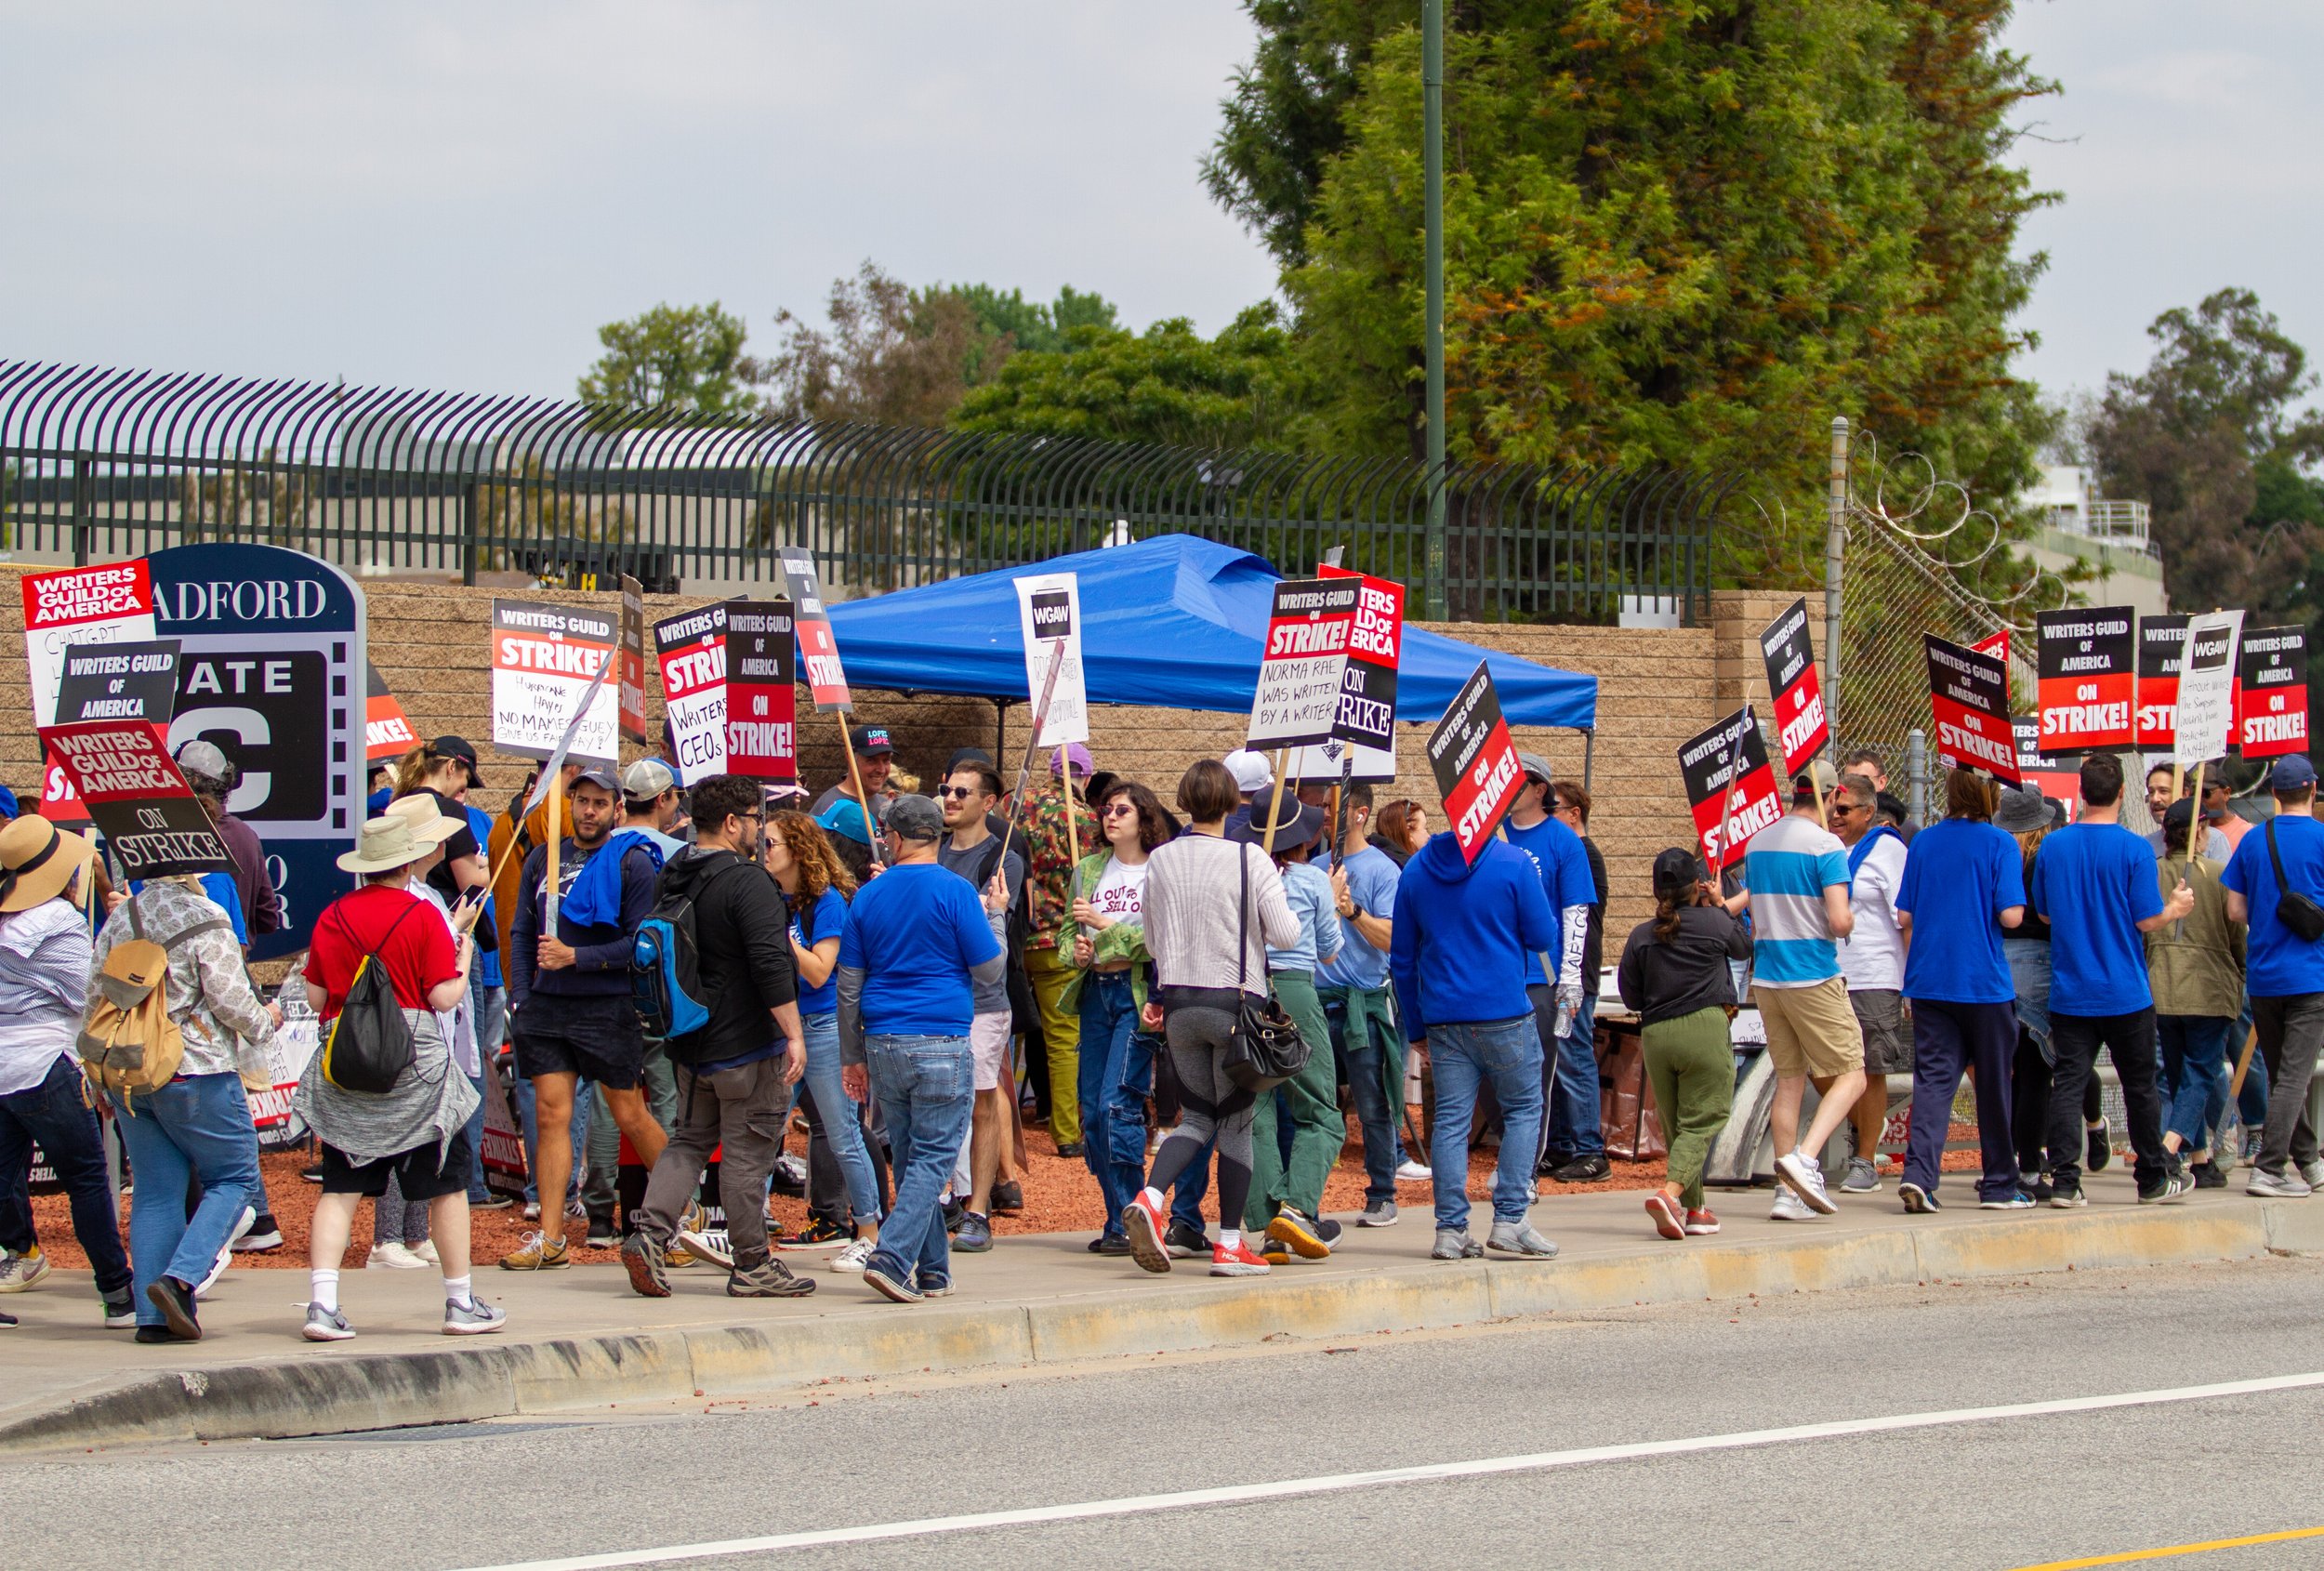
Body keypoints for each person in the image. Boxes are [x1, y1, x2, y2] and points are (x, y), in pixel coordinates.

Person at [297, 813, 501, 1340]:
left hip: (348, 1065)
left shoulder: (331, 916)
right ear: (407, 861)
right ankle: (460, 1302)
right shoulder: (422, 914)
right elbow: (442, 997)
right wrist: (461, 955)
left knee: (339, 1188)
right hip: (419, 1072)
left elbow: (317, 998)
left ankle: (322, 1303)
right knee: (447, 1185)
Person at [622, 774, 813, 1300]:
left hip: (691, 1040)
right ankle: (752, 1262)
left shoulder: (673, 874)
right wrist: (793, 1035)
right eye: (755, 821)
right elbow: (771, 963)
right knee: (748, 1156)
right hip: (748, 1045)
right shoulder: (748, 882)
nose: (759, 831)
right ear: (732, 823)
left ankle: (650, 1234)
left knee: (688, 1141)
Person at [1122, 759, 1301, 1276]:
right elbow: (1287, 936)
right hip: (1235, 1006)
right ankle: (1229, 1245)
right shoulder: (1251, 858)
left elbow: (1152, 941)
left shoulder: (1160, 861)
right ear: (1231, 803)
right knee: (1237, 1126)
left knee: (1197, 1119)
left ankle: (1152, 1198)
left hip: (1180, 1004)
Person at [92, 855, 282, 1342]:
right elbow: (230, 1001)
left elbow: (95, 994)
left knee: (156, 1193)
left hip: (131, 1070)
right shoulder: (206, 917)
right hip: (196, 1068)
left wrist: (98, 1081)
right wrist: (267, 1023)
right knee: (235, 1178)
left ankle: (153, 1322)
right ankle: (180, 1280)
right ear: (193, 865)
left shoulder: (121, 918)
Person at [837, 794, 1006, 1302]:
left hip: (883, 1038)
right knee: (933, 1160)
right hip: (941, 1036)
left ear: (897, 837)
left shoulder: (868, 896)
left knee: (912, 1158)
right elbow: (991, 969)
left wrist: (852, 1054)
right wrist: (995, 916)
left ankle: (933, 1269)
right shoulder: (955, 891)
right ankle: (892, 1257)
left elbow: (849, 985)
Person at [502, 765, 669, 1270]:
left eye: (600, 803)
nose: (589, 811)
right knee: (552, 1115)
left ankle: (682, 1215)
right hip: (546, 1007)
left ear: (617, 808)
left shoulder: (633, 862)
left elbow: (642, 941)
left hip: (608, 1004)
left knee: (628, 1114)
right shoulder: (542, 858)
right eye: (582, 801)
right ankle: (551, 1238)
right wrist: (522, 996)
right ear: (569, 804)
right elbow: (520, 932)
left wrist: (576, 957)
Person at [1390, 791, 1563, 1261]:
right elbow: (1544, 936)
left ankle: (1450, 1229)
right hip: (1506, 1010)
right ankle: (1510, 1219)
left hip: (1444, 1019)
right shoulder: (1513, 862)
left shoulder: (1417, 869)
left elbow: (1402, 960)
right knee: (1525, 1110)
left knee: (1449, 1122)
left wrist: (1417, 1027)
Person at [2031, 752, 2196, 1207]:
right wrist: (2175, 909)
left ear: (2081, 792)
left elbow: (2044, 912)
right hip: (2125, 990)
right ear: (2123, 793)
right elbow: (2147, 920)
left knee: (2067, 1083)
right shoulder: (2134, 849)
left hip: (2071, 991)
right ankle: (2151, 1178)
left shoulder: (2054, 846)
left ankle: (2066, 1179)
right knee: (2139, 1086)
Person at [0, 817, 134, 1325]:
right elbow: (92, 997)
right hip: (45, 1066)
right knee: (85, 1179)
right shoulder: (55, 921)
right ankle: (118, 1295)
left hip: (4, 1063)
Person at [1893, 770, 2028, 1211]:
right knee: (1993, 1085)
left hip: (1929, 978)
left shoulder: (1925, 842)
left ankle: (1919, 1175)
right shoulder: (2000, 843)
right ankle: (2000, 1185)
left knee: (1933, 1081)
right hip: (1983, 983)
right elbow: (2010, 916)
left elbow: (1904, 914)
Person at [1736, 760, 1865, 1219]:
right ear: (1830, 797)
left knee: (1789, 1081)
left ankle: (1786, 1194)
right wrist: (1850, 920)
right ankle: (1805, 1160)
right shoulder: (1828, 845)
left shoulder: (1758, 842)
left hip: (1768, 977)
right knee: (1852, 1074)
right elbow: (1839, 919)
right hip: (1813, 974)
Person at [764, 810, 884, 1270]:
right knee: (760, 1133)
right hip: (782, 1027)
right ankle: (748, 1229)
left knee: (842, 1134)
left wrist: (777, 936)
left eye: (771, 844)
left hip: (822, 1026)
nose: (764, 852)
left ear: (797, 848)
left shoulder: (827, 902)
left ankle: (870, 1230)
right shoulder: (775, 897)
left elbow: (818, 971)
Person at [1618, 847, 1752, 1239]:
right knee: (1705, 1118)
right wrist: (1721, 905)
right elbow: (1745, 949)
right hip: (1704, 1026)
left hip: (1657, 1034)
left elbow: (1630, 996)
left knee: (1678, 1125)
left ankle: (1696, 1210)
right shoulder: (1714, 921)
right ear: (1698, 885)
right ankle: (1671, 1193)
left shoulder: (1641, 935)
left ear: (1657, 889)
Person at [1064, 778, 1168, 1255]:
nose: (1110, 816)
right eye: (1106, 809)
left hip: (1136, 995)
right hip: (1094, 995)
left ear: (1144, 819)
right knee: (1091, 1114)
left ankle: (1134, 1214)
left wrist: (1106, 927)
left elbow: (1155, 942)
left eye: (1122, 810)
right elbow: (1067, 935)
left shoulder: (1159, 871)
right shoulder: (1086, 870)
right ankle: (1117, 1218)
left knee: (1115, 1107)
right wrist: (1079, 951)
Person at [1245, 799, 1345, 1260]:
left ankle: (1268, 1225)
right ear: (1303, 838)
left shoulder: (1242, 875)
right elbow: (1329, 951)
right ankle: (1298, 1209)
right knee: (1320, 1109)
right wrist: (1335, 899)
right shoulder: (1310, 880)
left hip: (1246, 991)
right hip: (1295, 990)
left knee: (1257, 1110)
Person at [2220, 755, 2324, 1197]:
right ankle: (2268, 1168)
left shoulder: (2253, 840)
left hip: (2263, 978)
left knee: (2285, 1076)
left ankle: (2310, 1162)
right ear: (2312, 791)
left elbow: (2235, 910)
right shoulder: (2322, 838)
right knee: (2295, 1077)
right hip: (2311, 977)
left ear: (2276, 794)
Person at [934, 761, 1025, 1254]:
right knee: (940, 1099)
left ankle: (979, 1209)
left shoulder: (1003, 858)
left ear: (988, 802)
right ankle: (948, 1193)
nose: (950, 798)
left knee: (983, 1099)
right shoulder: (934, 852)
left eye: (961, 792)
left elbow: (987, 934)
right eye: (946, 790)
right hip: (937, 996)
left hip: (983, 1002)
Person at [1499, 757, 1598, 1182]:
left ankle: (1524, 1173)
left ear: (1540, 789)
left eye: (1518, 781)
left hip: (1542, 975)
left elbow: (1577, 912)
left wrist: (1571, 978)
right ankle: (1518, 1159)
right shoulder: (1492, 834)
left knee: (1539, 1077)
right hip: (1496, 973)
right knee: (1501, 1077)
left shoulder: (1563, 841)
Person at [1319, 783, 1411, 1227]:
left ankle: (1382, 1193)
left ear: (1358, 814)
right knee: (1313, 1105)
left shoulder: (1382, 871)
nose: (1323, 815)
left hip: (1364, 1004)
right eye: (1321, 807)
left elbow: (1394, 939)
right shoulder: (1316, 867)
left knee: (1373, 1103)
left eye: (1332, 807)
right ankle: (1304, 1199)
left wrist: (1351, 910)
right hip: (1318, 1003)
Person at [2148, 799, 2244, 1190]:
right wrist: (2240, 973)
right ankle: (2168, 1148)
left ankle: (2201, 1160)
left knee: (2178, 1074)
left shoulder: (2149, 873)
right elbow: (2238, 939)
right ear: (2201, 831)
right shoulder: (2221, 876)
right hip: (2209, 989)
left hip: (2161, 987)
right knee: (2200, 1072)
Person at [1828, 772, 1908, 1194]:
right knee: (1822, 1067)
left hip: (1875, 974)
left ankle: (1865, 1160)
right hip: (1830, 974)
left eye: (1843, 810)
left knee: (1870, 1068)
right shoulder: (1828, 849)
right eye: (1831, 808)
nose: (1834, 816)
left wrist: (1910, 980)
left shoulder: (1888, 849)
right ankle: (1868, 1135)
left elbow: (1906, 916)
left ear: (1868, 811)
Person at [1020, 743, 1092, 1155]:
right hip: (1058, 939)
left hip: (1013, 936)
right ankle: (1066, 1134)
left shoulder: (1017, 807)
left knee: (1002, 1037)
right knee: (1063, 1039)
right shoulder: (1083, 817)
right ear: (1082, 776)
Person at [1997, 787, 2064, 1195]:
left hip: (1999, 964)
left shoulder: (2001, 856)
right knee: (2039, 1075)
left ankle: (2006, 1163)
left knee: (2010, 1075)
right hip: (2039, 961)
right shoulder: (2046, 858)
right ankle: (2031, 1169)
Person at [174, 739, 284, 944]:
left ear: (193, 781)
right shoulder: (247, 835)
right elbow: (267, 919)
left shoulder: (178, 835)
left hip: (189, 965)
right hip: (235, 962)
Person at [812, 723, 896, 836]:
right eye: (872, 761)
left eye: (886, 761)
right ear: (850, 757)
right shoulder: (828, 808)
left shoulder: (887, 809)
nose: (881, 770)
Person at [2144, 761, 2231, 860]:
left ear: (2185, 793)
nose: (2155, 799)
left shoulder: (2214, 840)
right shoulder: (2145, 845)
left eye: (2163, 791)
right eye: (2151, 792)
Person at [620, 758, 690, 862]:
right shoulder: (681, 853)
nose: (679, 801)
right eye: (680, 794)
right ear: (662, 799)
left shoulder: (602, 843)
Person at [1842, 747, 1917, 838]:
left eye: (1863, 779)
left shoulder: (1906, 829)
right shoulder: (1836, 824)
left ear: (1882, 782)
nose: (1856, 786)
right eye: (1850, 780)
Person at [1373, 799, 1429, 866]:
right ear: (1408, 831)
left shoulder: (1377, 860)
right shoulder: (1404, 871)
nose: (1429, 836)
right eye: (1425, 828)